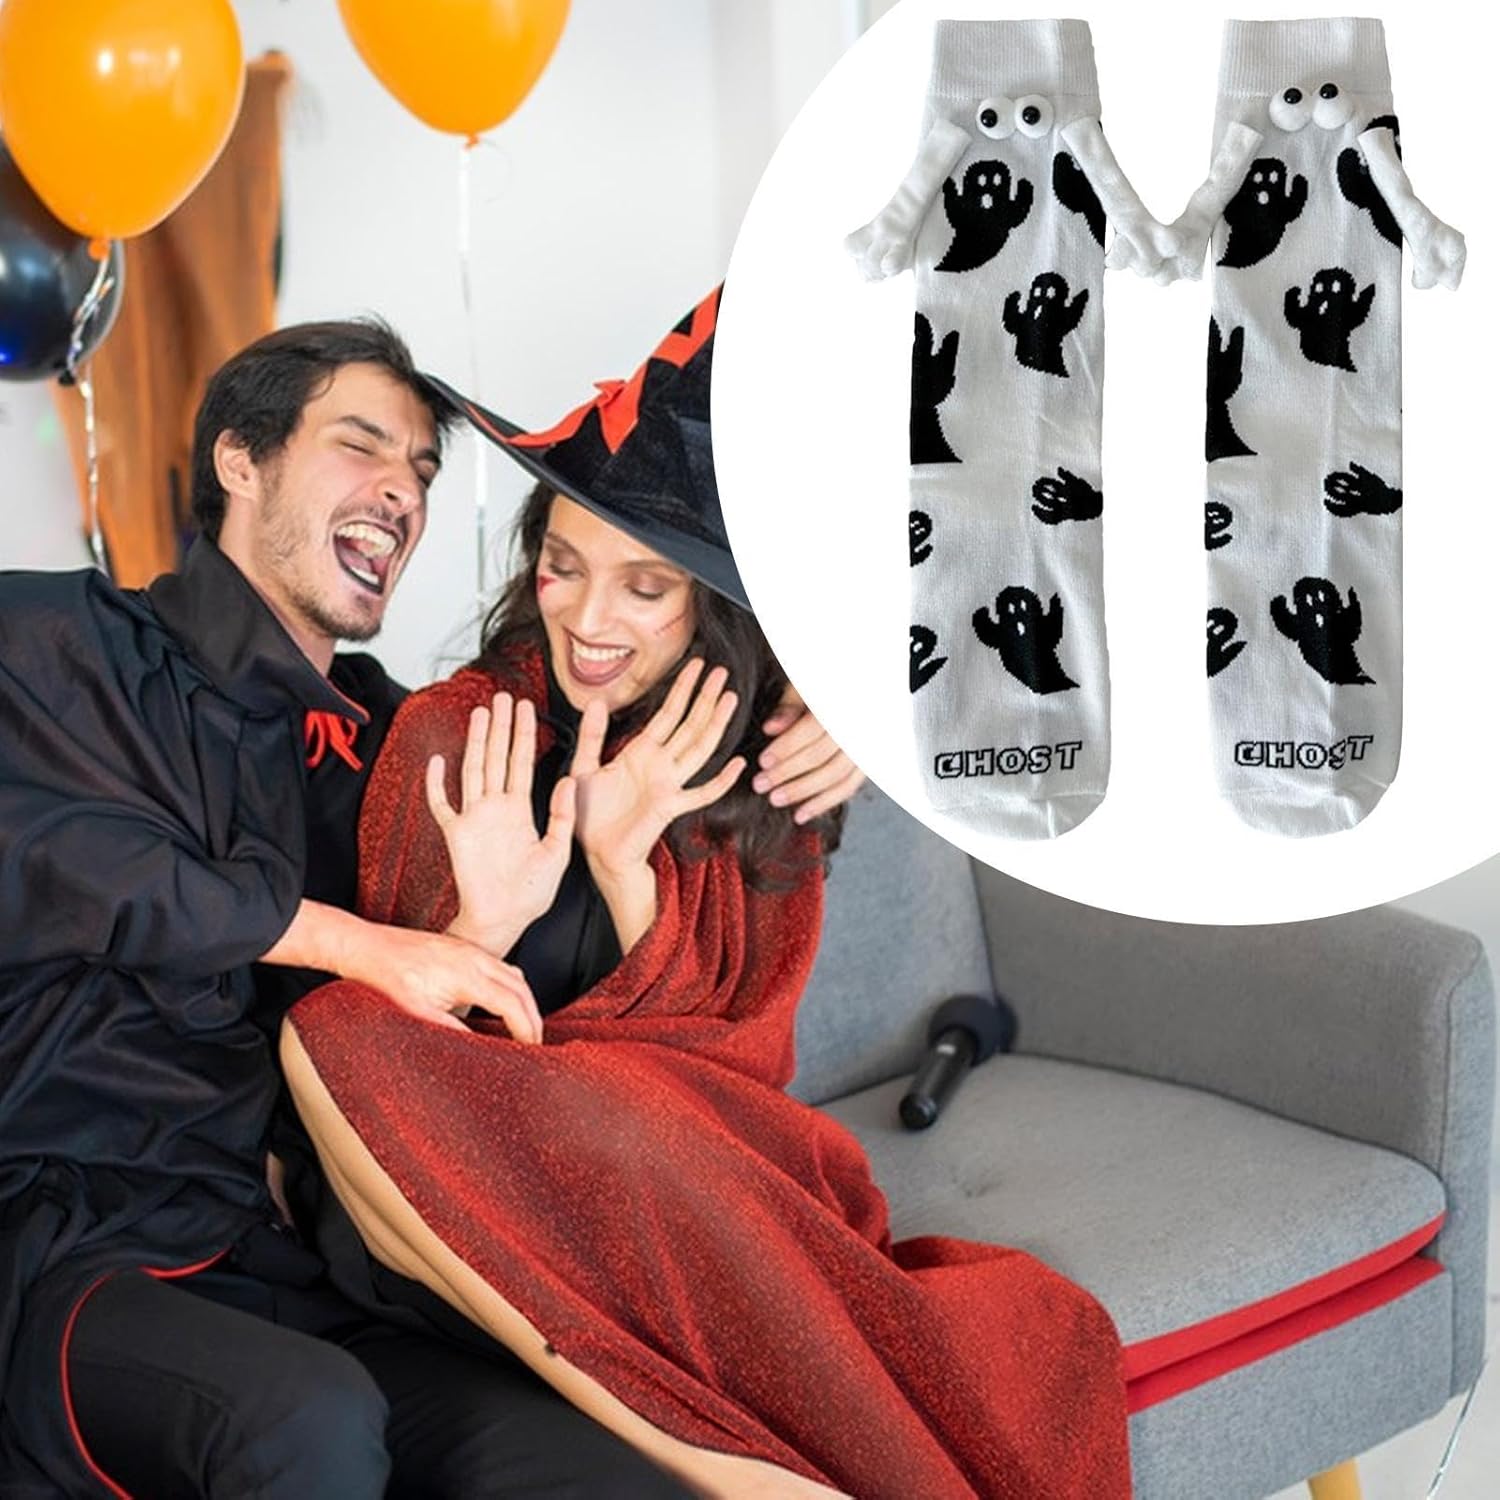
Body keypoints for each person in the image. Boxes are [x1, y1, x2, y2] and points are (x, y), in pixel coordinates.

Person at [283, 287, 1133, 1499]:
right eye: (563, 566)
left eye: (644, 588)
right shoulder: (458, 736)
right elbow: (398, 1091)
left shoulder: (765, 758)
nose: (588, 618)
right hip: (460, 1216)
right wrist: (486, 927)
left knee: (1009, 1325)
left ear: (710, 601)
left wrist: (629, 875)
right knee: (341, 1031)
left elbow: (743, 1077)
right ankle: (727, 1467)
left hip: (682, 1182)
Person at [0, 315, 861, 1498]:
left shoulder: (398, 741)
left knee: (612, 1478)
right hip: (82, 1245)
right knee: (308, 1422)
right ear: (240, 460)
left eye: (419, 470)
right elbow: (69, 864)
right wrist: (362, 944)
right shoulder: (54, 641)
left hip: (312, 1270)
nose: (400, 492)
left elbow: (559, 1044)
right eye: (362, 446)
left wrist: (819, 708)